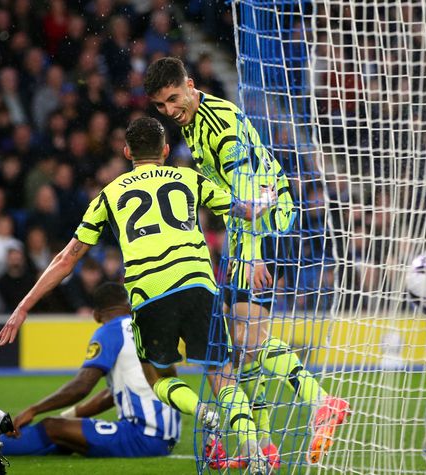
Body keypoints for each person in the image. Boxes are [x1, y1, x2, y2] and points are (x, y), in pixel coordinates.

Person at [0, 117, 276, 473]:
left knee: (157, 377)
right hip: (198, 283)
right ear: (165, 150)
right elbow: (247, 211)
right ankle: (253, 451)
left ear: (127, 152)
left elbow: (67, 259)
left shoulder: (109, 194)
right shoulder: (188, 177)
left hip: (149, 292)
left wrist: (23, 307)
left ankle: (200, 411)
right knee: (223, 376)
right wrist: (267, 194)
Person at [144, 57, 351, 464]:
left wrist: (251, 255)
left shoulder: (221, 126)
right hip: (248, 234)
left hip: (265, 230)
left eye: (173, 99)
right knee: (243, 349)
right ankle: (264, 447)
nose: (169, 111)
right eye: (160, 106)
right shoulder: (194, 122)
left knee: (246, 341)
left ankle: (321, 402)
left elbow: (251, 189)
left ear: (189, 84)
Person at [0, 282, 181, 459]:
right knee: (66, 434)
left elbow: (82, 386)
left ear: (96, 314)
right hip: (167, 434)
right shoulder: (146, 327)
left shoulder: (109, 331)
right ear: (128, 304)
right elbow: (119, 393)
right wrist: (71, 415)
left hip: (143, 437)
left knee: (52, 427)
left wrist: (34, 409)